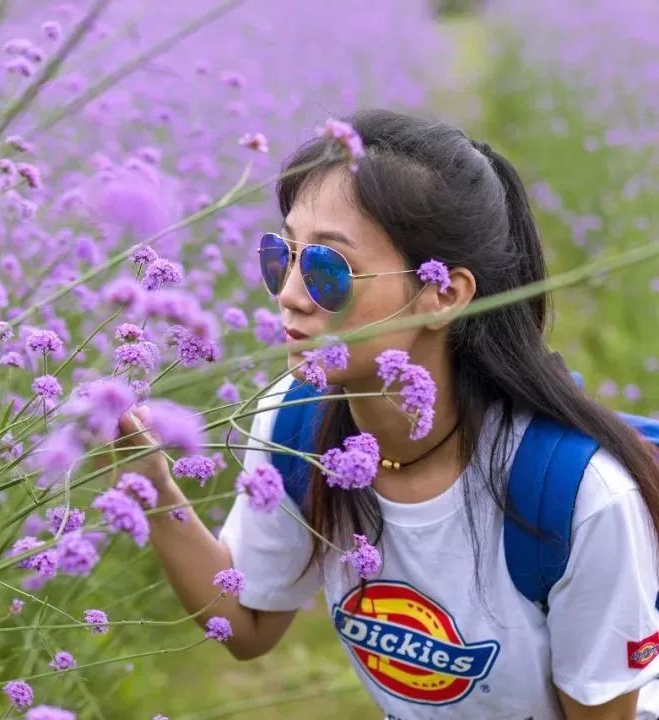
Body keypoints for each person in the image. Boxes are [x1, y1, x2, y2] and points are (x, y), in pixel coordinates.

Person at [115, 108, 659, 719]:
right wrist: (151, 486)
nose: (289, 293)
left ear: (442, 294)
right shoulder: (294, 423)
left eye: (327, 269)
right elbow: (247, 624)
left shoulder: (579, 499)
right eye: (282, 254)